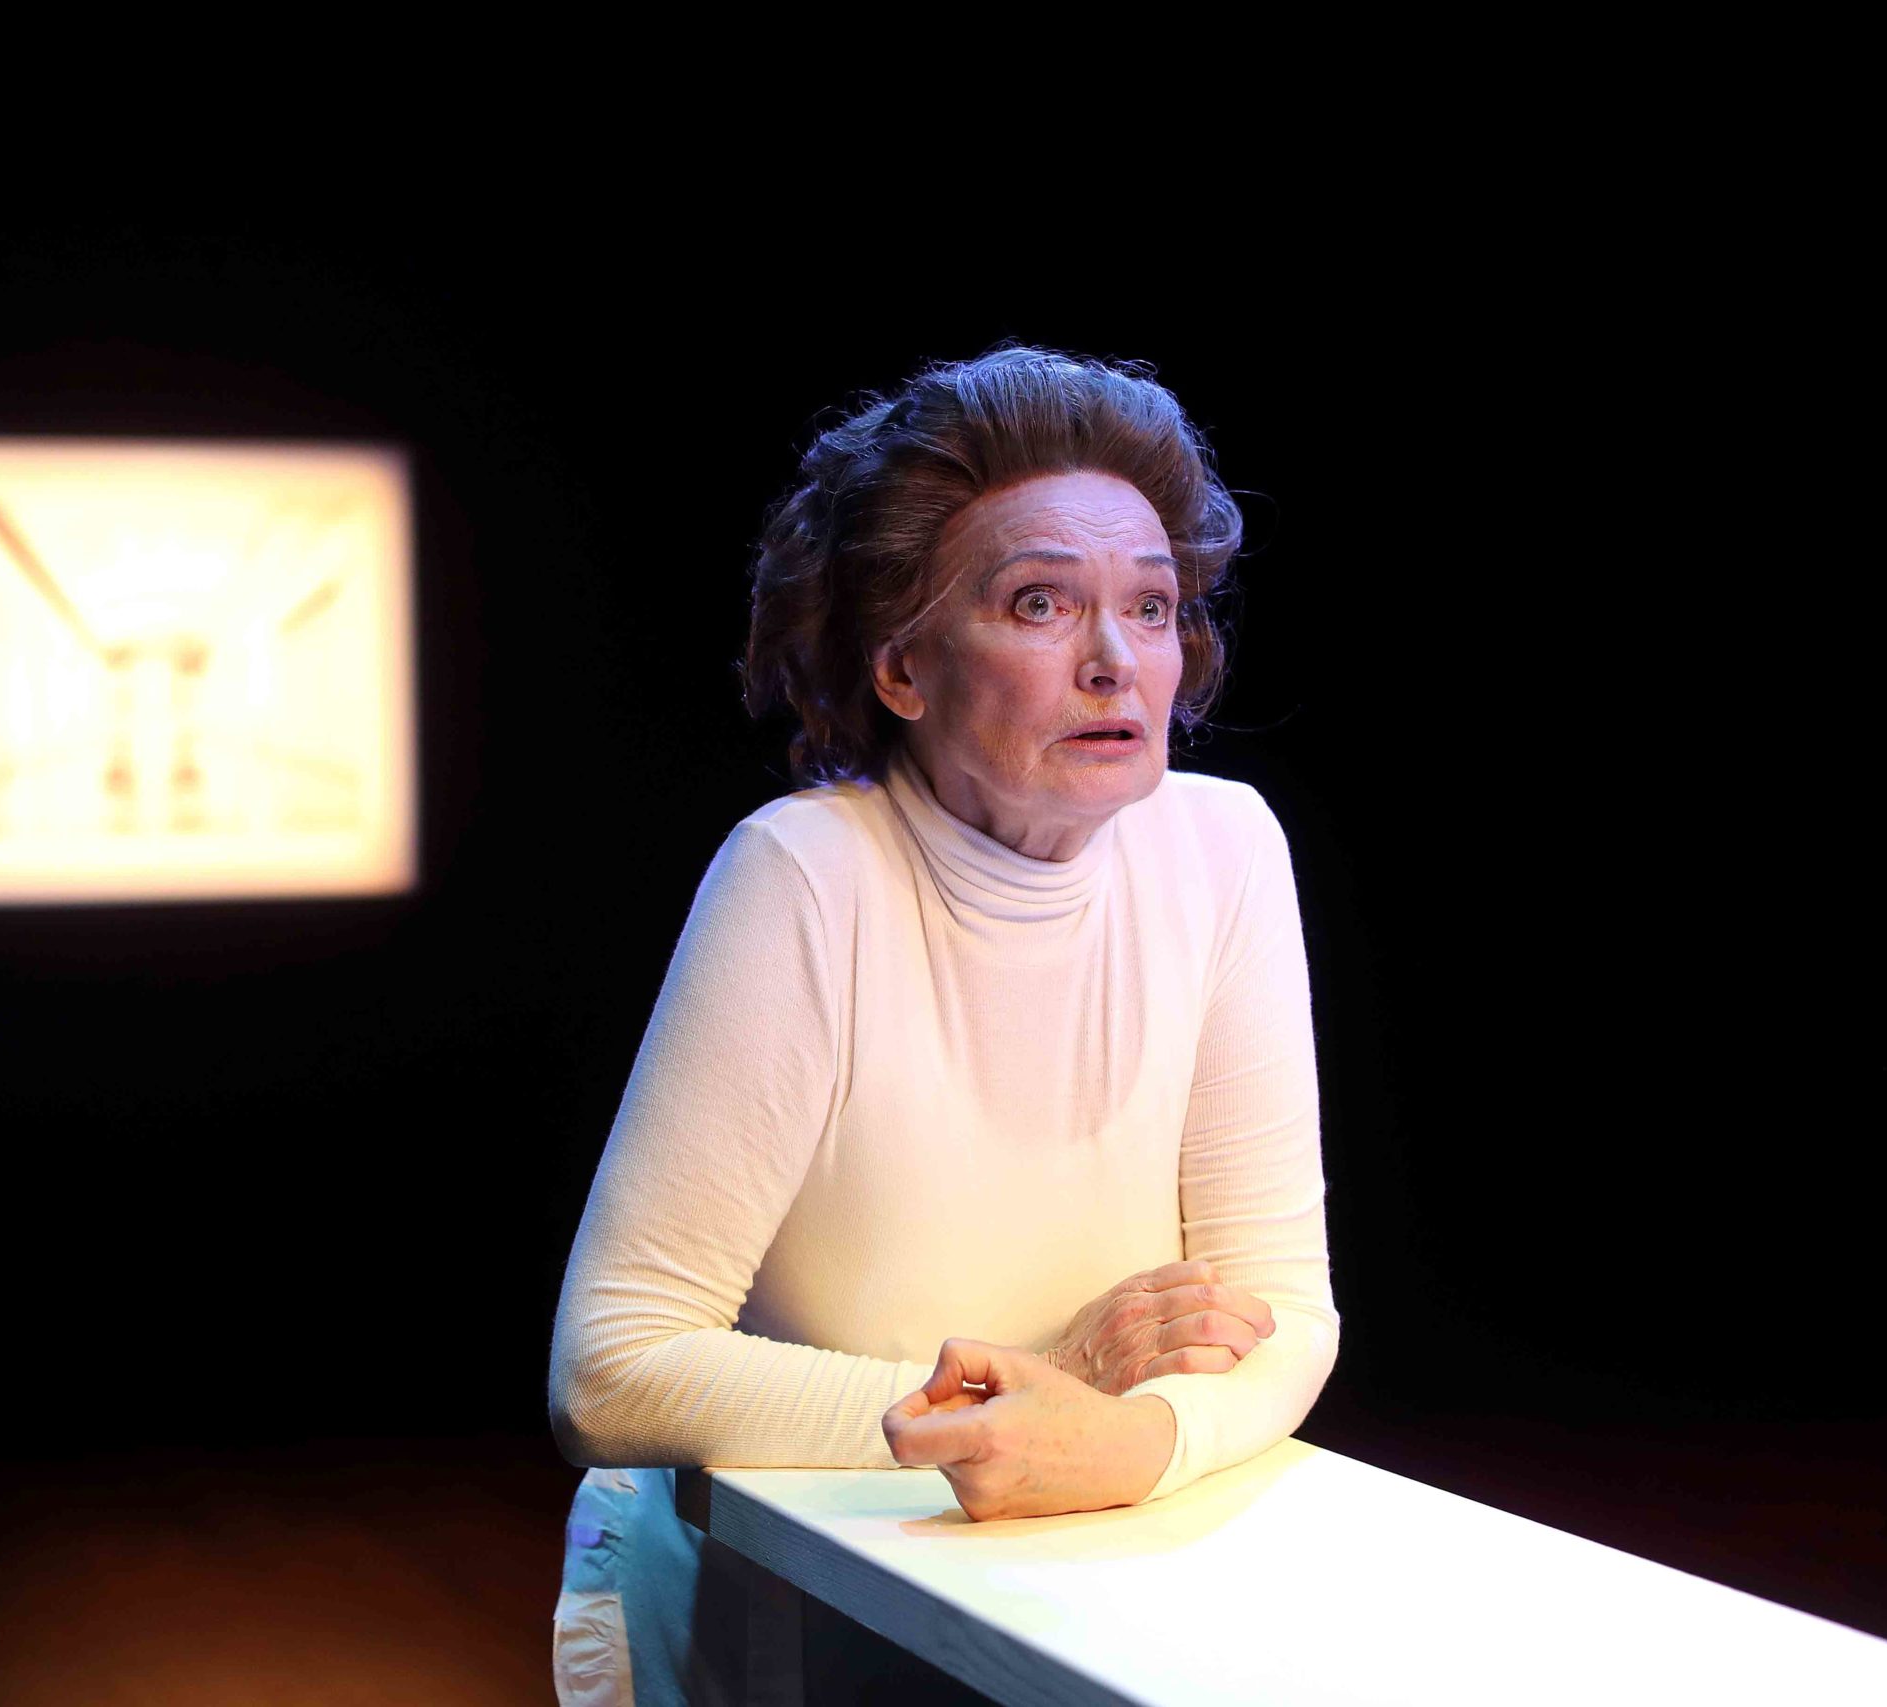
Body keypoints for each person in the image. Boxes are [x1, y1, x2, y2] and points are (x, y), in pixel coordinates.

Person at [547, 345, 1339, 1706]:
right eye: (1041, 603)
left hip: (1076, 1562)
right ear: (904, 668)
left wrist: (1131, 1443)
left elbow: (1286, 1312)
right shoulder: (806, 873)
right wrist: (1039, 1391)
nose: (1116, 662)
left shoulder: (1226, 848)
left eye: (1152, 608)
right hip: (779, 1606)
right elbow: (613, 1369)